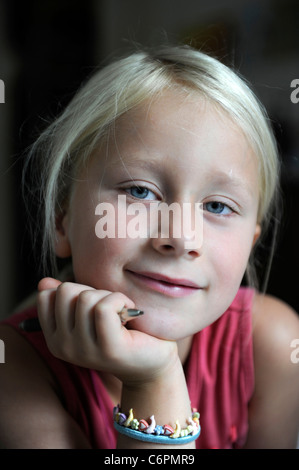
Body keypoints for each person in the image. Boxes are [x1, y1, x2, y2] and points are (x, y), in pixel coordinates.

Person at [0, 44, 299, 449]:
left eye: (217, 206)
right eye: (140, 191)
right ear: (61, 219)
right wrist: (154, 381)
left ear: (251, 243)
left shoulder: (276, 347)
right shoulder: (14, 368)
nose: (180, 238)